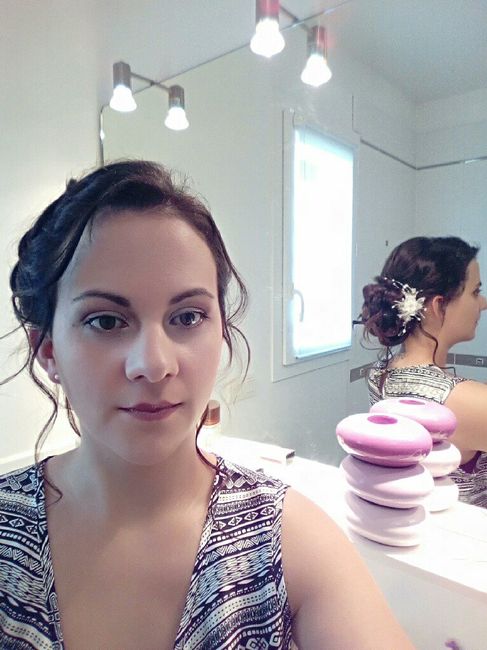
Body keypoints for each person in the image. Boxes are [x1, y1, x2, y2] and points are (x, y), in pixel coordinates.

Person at [0, 160, 414, 649]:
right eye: (106, 321)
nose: (154, 365)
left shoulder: (287, 540)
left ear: (221, 330)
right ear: (48, 351)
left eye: (187, 316)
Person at [361, 236, 487, 508]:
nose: (483, 303)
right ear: (438, 306)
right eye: (475, 292)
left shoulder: (380, 375)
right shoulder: (468, 401)